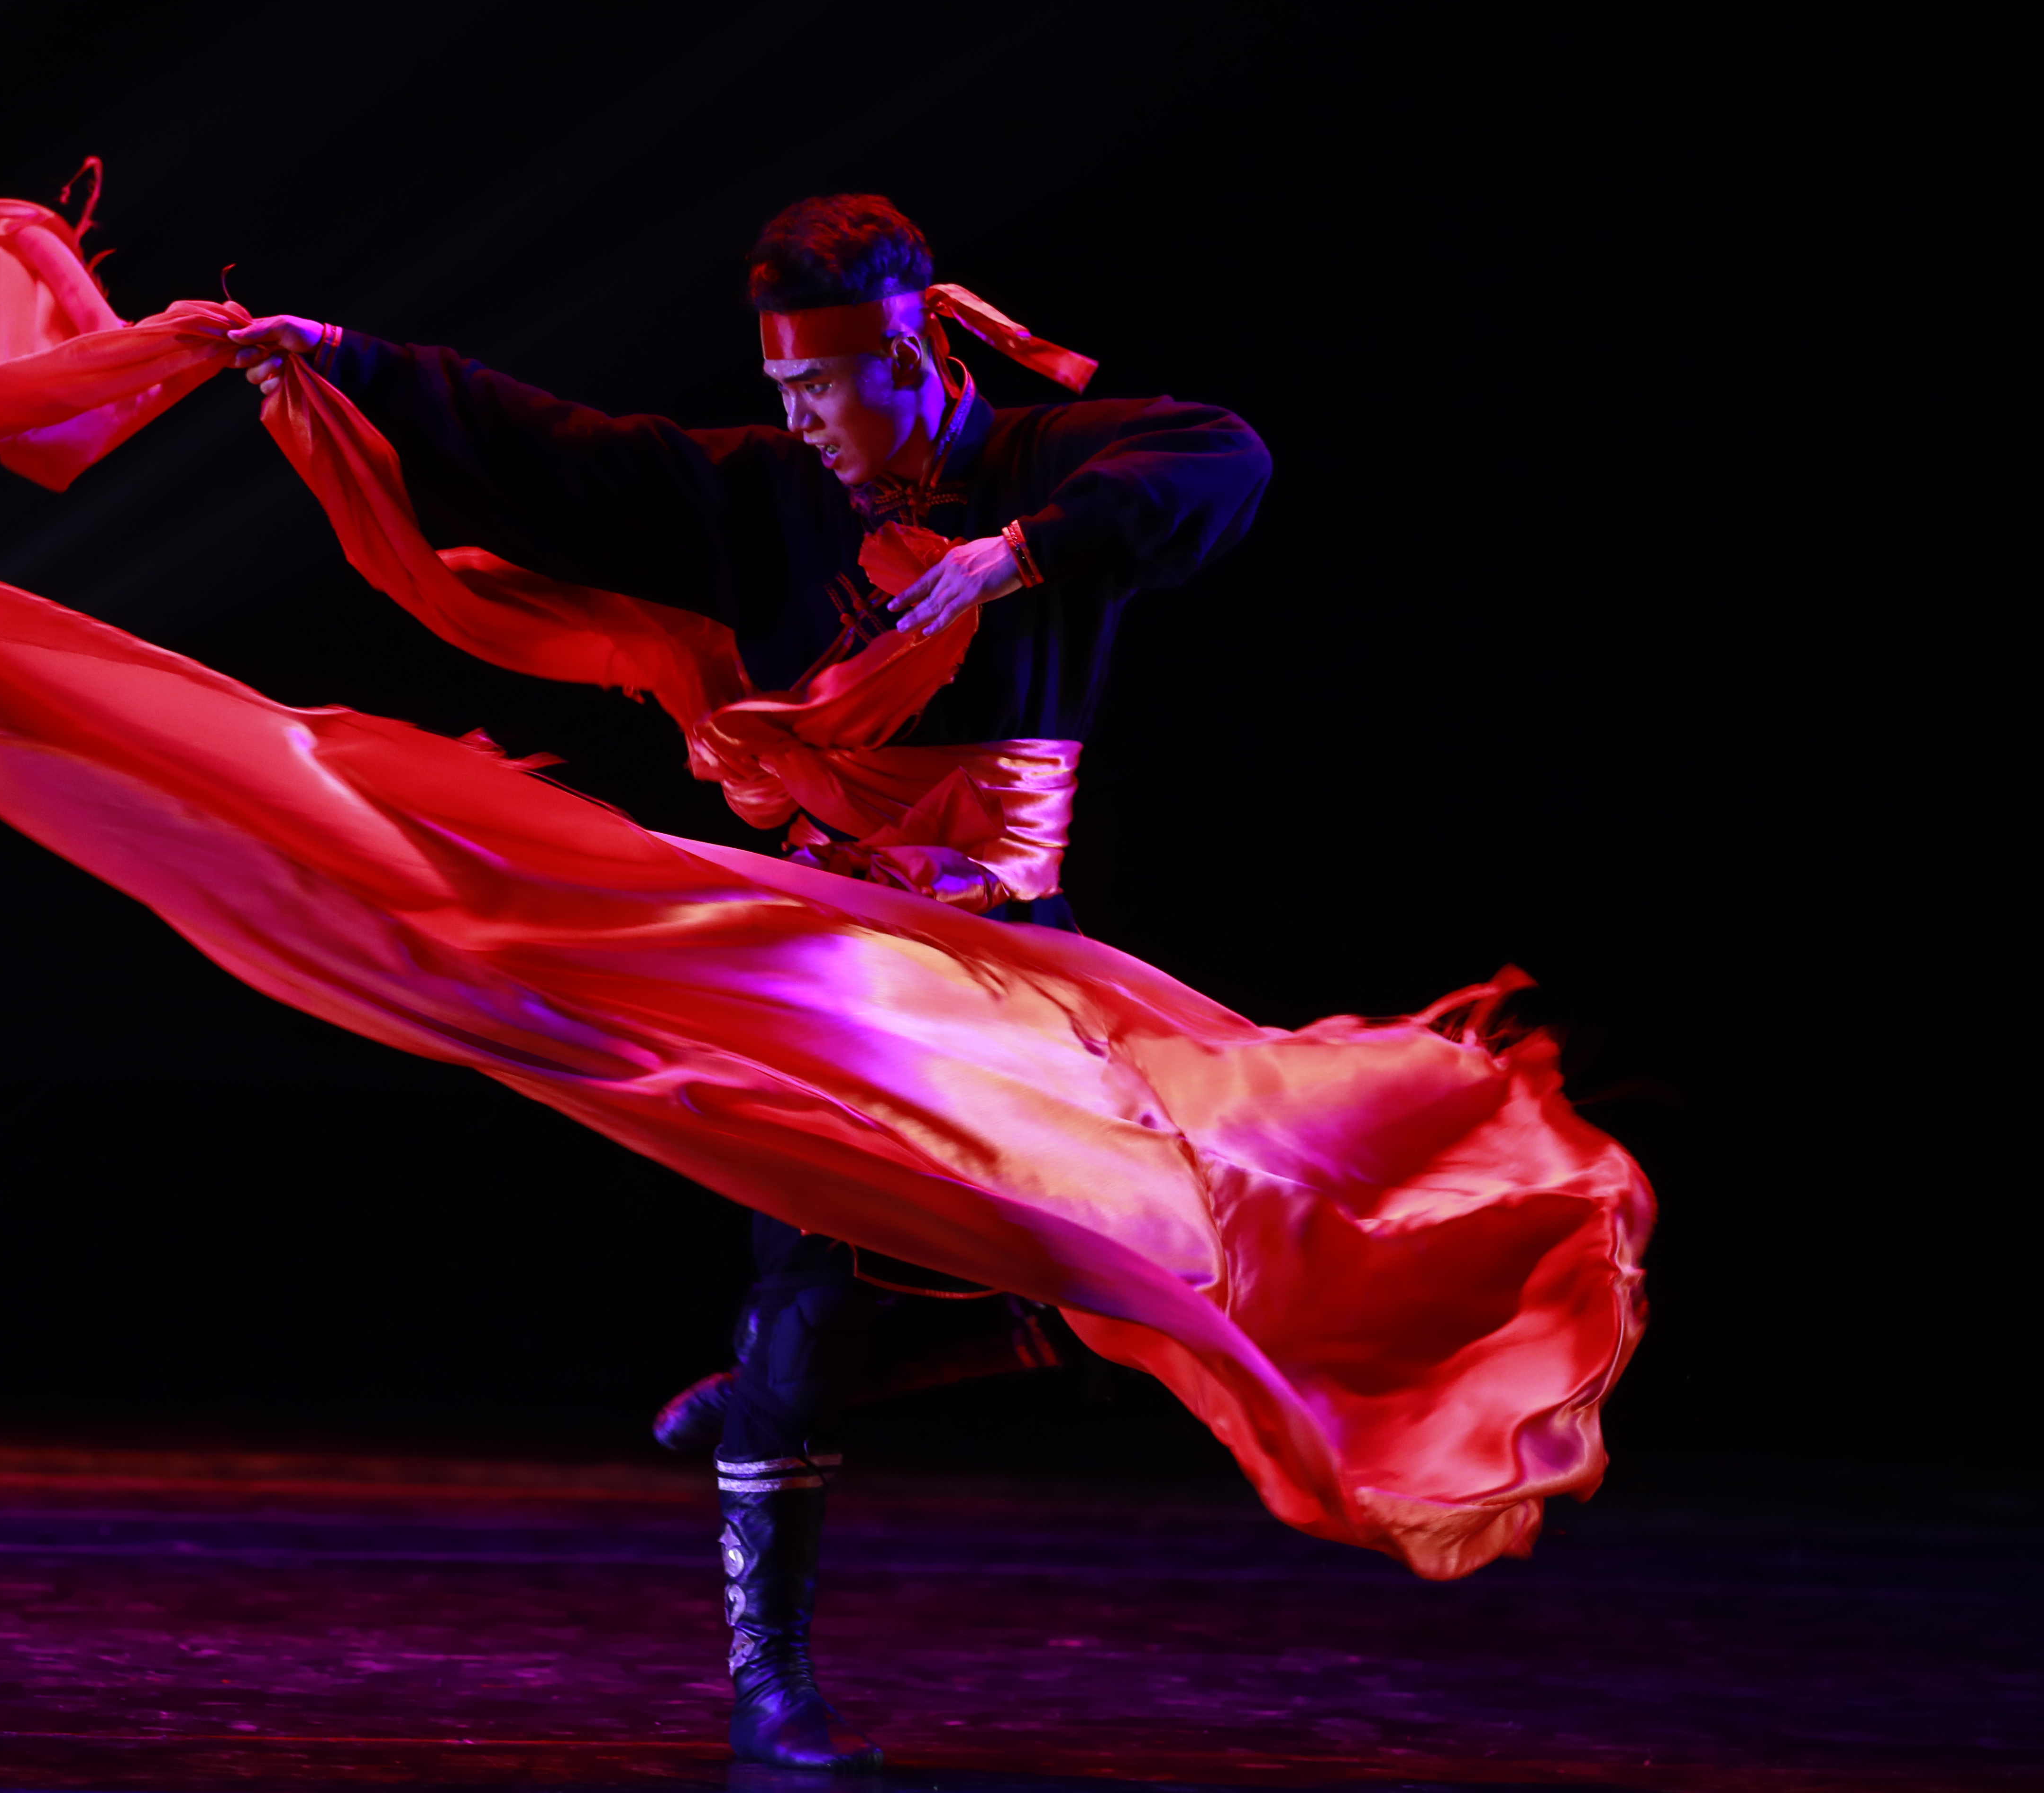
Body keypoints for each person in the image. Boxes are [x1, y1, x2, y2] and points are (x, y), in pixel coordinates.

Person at [221, 193, 1272, 1772]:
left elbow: (1222, 455)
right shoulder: (768, 494)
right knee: (806, 1294)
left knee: (1176, 1267)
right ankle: (770, 1670)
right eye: (782, 390)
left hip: (1014, 956)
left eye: (822, 388)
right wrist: (346, 359)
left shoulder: (1039, 469)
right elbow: (564, 452)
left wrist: (1013, 558)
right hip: (838, 965)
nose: (804, 423)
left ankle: (841, 1366)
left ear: (909, 349)